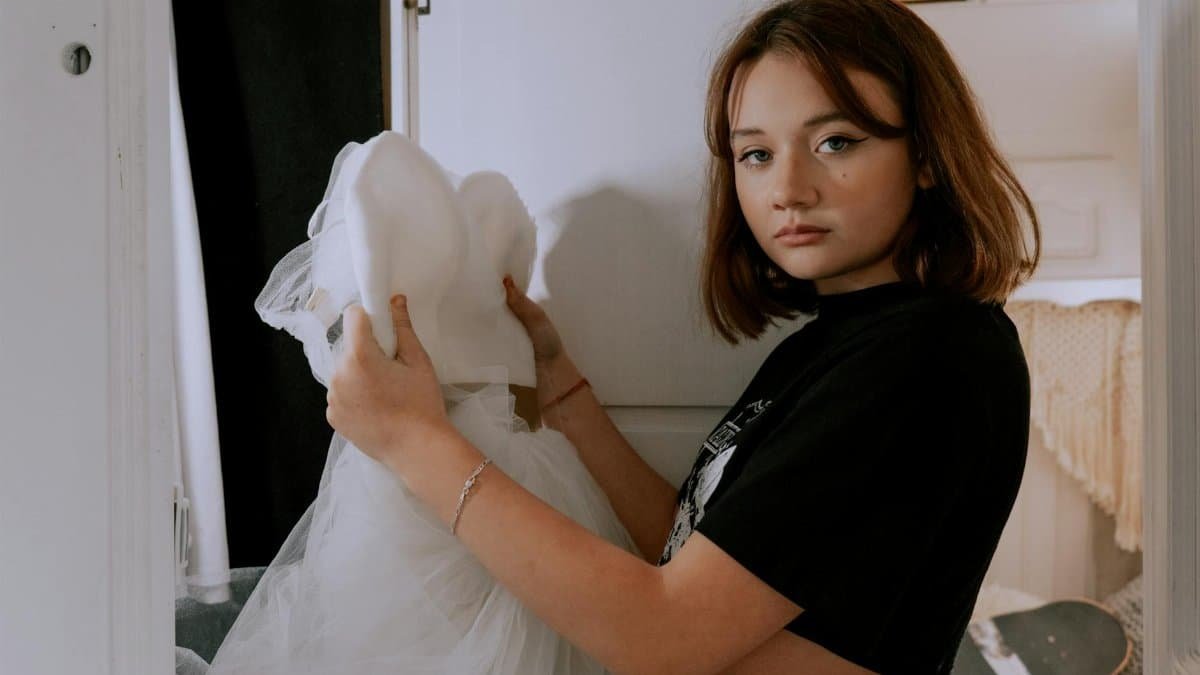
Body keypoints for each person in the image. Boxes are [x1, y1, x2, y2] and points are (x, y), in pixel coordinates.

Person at [326, 0, 1040, 673]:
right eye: (755, 153)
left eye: (834, 141)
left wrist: (413, 442)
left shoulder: (928, 356)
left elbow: (662, 633)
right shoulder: (834, 343)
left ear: (925, 154)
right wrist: (567, 394)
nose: (788, 187)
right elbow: (696, 553)